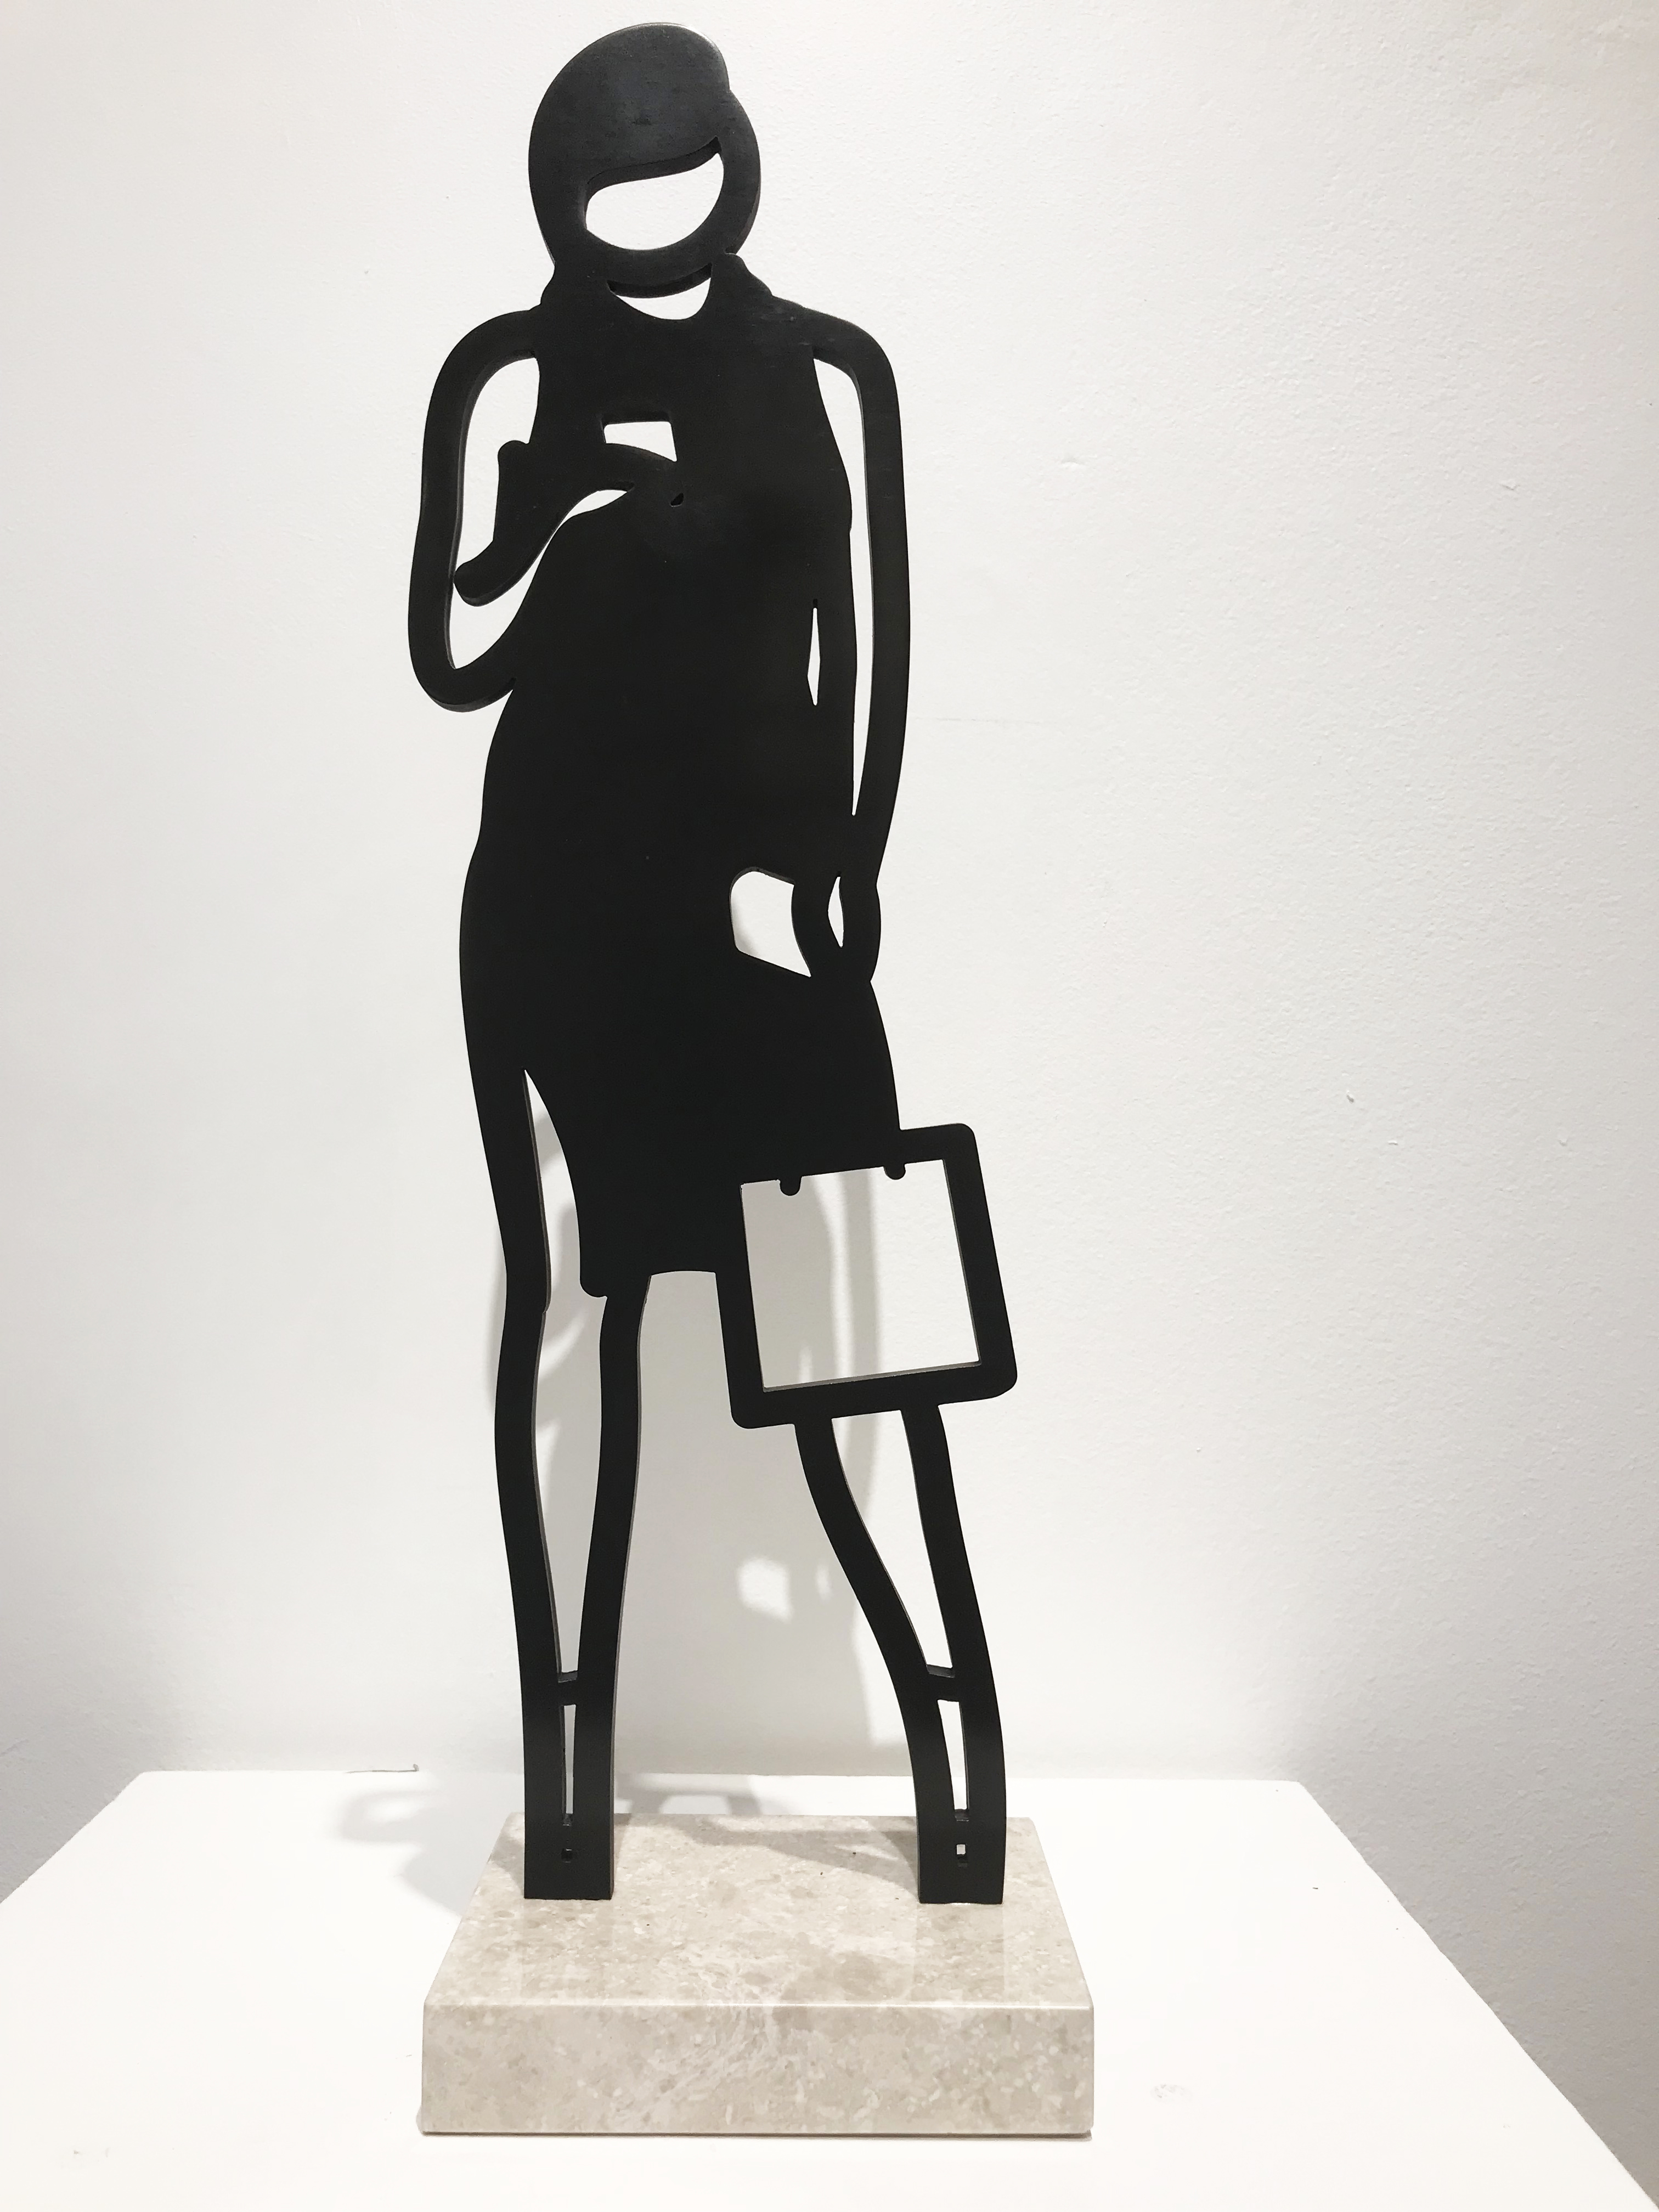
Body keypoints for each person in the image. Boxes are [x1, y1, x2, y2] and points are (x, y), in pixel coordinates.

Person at [410, 25, 1006, 1901]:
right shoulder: (507, 371)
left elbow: (872, 641)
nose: (654, 205)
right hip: (558, 906)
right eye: (616, 178)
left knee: (860, 1363)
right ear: (560, 199)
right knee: (583, 1307)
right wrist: (551, 510)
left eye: (680, 166)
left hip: (762, 902)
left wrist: (857, 871)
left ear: (735, 162)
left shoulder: (826, 366)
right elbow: (450, 657)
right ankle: (568, 1765)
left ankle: (950, 1747)